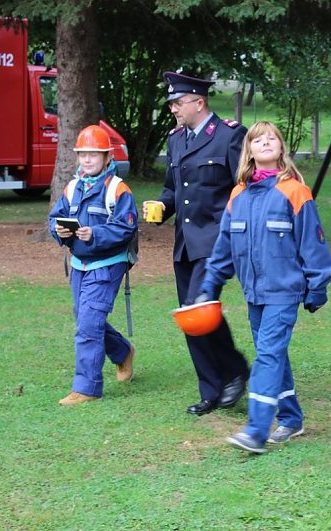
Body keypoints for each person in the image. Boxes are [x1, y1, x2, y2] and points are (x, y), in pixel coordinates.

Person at [199, 121, 331, 454]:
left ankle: (257, 430)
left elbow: (313, 244)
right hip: (254, 294)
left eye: (272, 137)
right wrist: (209, 286)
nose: (266, 142)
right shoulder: (239, 195)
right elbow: (224, 246)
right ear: (249, 150)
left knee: (268, 357)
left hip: (284, 292)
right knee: (272, 356)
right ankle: (291, 418)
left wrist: (317, 286)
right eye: (258, 139)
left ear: (281, 148)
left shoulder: (295, 191)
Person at [153, 71, 249, 416]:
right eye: (172, 104)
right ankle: (211, 389)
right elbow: (173, 189)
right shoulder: (177, 139)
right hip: (185, 243)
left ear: (198, 101)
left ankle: (236, 368)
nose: (174, 110)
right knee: (190, 316)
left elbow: (244, 187)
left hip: (216, 241)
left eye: (178, 103)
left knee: (198, 308)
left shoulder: (229, 136)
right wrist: (162, 207)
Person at [49, 125, 138, 406]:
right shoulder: (72, 187)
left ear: (106, 158)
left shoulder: (118, 189)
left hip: (108, 265)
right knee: (87, 318)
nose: (87, 160)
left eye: (93, 155)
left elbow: (127, 228)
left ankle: (87, 387)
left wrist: (95, 234)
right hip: (79, 264)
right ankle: (123, 352)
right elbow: (56, 216)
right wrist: (58, 230)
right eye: (83, 155)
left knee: (88, 323)